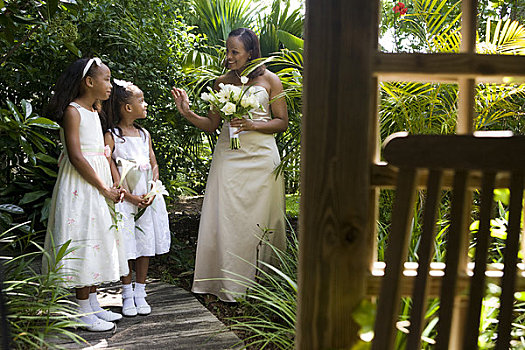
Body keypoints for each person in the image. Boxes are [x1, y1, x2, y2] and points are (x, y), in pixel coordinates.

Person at [171, 28, 288, 302]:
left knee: (260, 219)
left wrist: (252, 124)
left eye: (234, 52)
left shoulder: (271, 80)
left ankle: (261, 284)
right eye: (227, 50)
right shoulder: (221, 82)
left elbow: (281, 122)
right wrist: (187, 111)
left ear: (251, 53)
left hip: (261, 158)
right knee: (225, 216)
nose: (229, 57)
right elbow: (212, 125)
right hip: (228, 155)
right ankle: (224, 282)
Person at [42, 57, 129, 332]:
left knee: (97, 240)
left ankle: (92, 303)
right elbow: (76, 156)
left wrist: (110, 183)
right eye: (106, 79)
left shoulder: (94, 112)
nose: (110, 85)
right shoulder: (73, 111)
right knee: (83, 238)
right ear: (89, 82)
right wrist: (103, 187)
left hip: (98, 181)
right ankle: (80, 310)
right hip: (81, 184)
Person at [102, 79, 171, 316]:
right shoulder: (113, 135)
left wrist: (152, 189)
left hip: (146, 197)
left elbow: (153, 162)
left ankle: (141, 290)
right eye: (141, 100)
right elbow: (110, 166)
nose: (146, 104)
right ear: (127, 107)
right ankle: (126, 293)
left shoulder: (144, 134)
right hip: (126, 198)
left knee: (145, 243)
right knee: (126, 244)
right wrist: (129, 195)